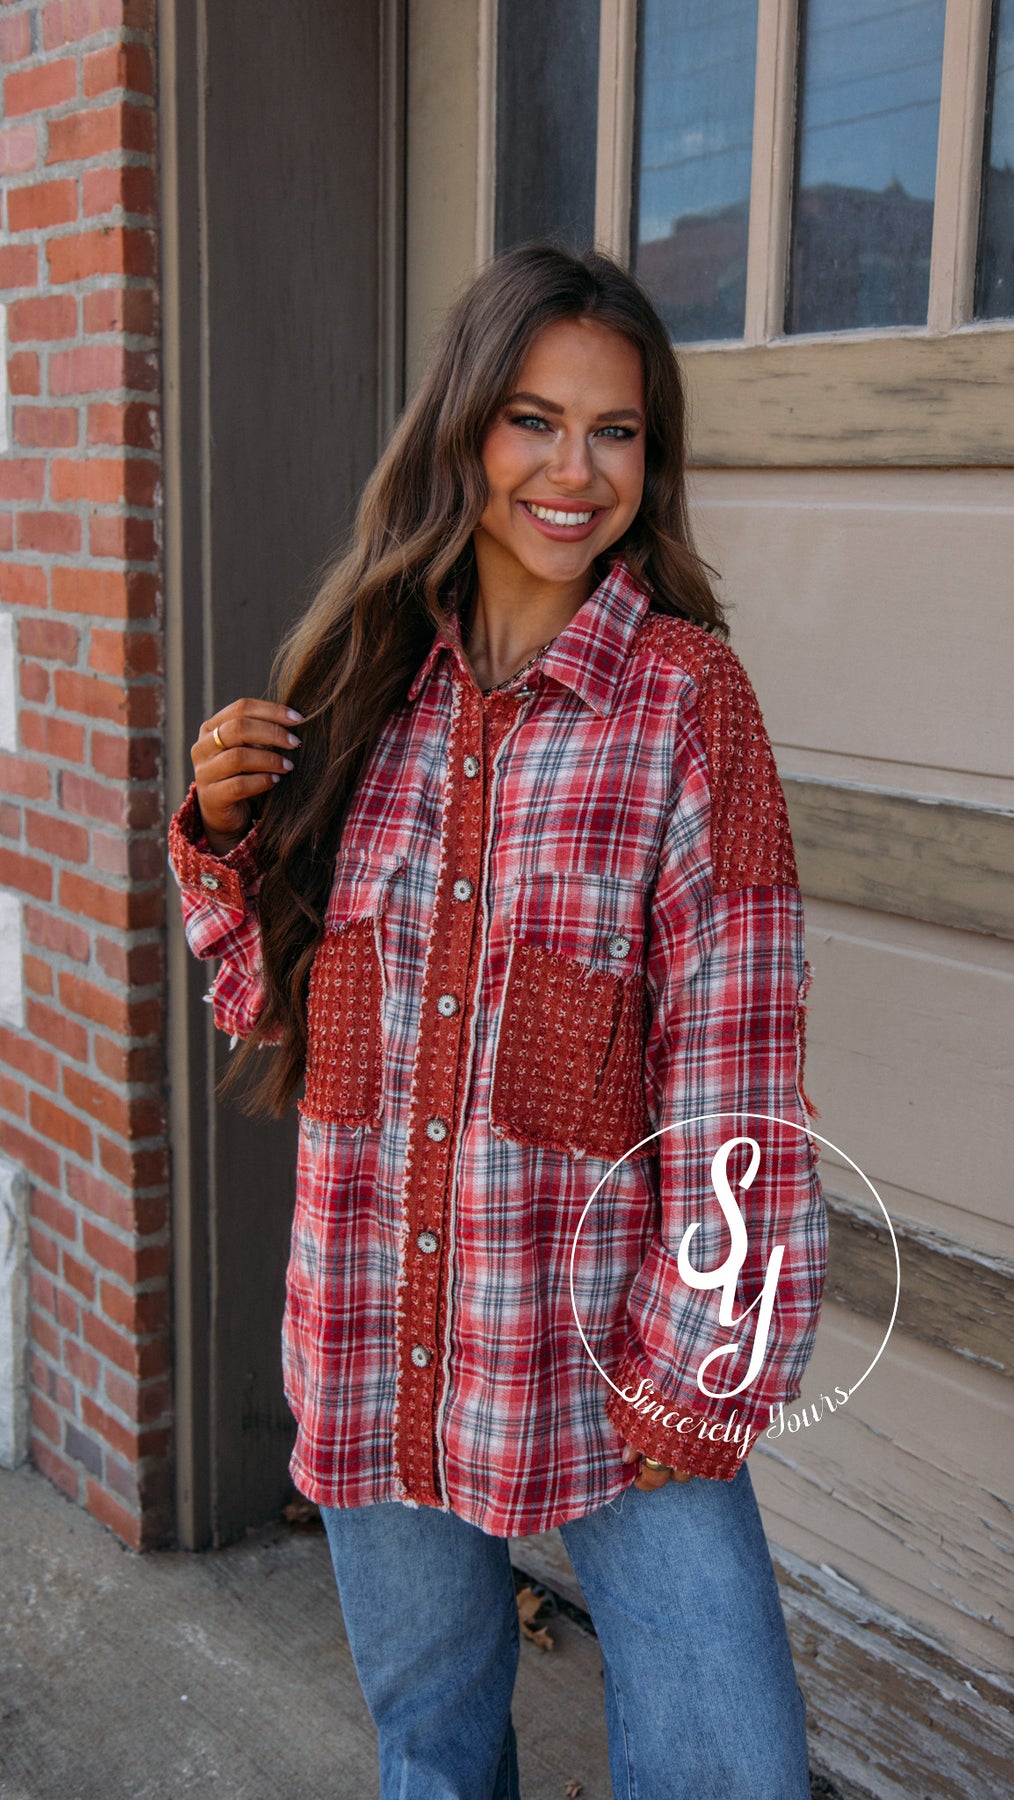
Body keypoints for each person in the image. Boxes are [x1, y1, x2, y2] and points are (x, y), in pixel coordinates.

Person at [168, 242, 828, 1800]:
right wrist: (223, 838)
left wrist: (699, 1369)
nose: (573, 470)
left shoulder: (687, 703)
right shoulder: (361, 688)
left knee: (732, 1770)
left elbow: (735, 1069)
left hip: (616, 1354)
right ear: (463, 429)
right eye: (534, 420)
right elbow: (277, 1004)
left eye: (616, 431)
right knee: (432, 1753)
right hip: (374, 1325)